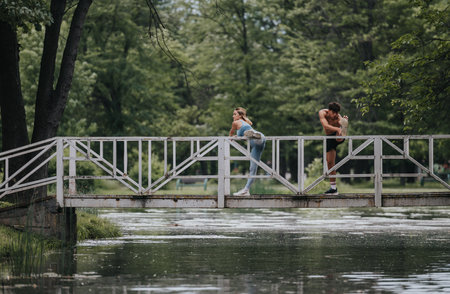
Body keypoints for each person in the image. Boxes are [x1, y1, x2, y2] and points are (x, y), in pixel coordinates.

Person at [229, 107, 266, 196]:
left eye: (235, 114)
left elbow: (230, 134)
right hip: (259, 144)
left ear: (240, 115)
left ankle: (254, 135)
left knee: (252, 136)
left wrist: (233, 137)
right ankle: (246, 190)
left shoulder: (235, 123)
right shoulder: (247, 122)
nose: (233, 116)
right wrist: (237, 136)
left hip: (254, 141)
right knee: (252, 169)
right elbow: (239, 133)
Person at [318, 102, 349, 195]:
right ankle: (333, 188)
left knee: (340, 132)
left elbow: (344, 133)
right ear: (329, 111)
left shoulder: (338, 117)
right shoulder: (322, 113)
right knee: (330, 162)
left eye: (337, 113)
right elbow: (325, 126)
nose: (335, 115)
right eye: (333, 113)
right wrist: (337, 129)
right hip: (330, 137)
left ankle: (339, 133)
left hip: (338, 136)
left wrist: (344, 125)